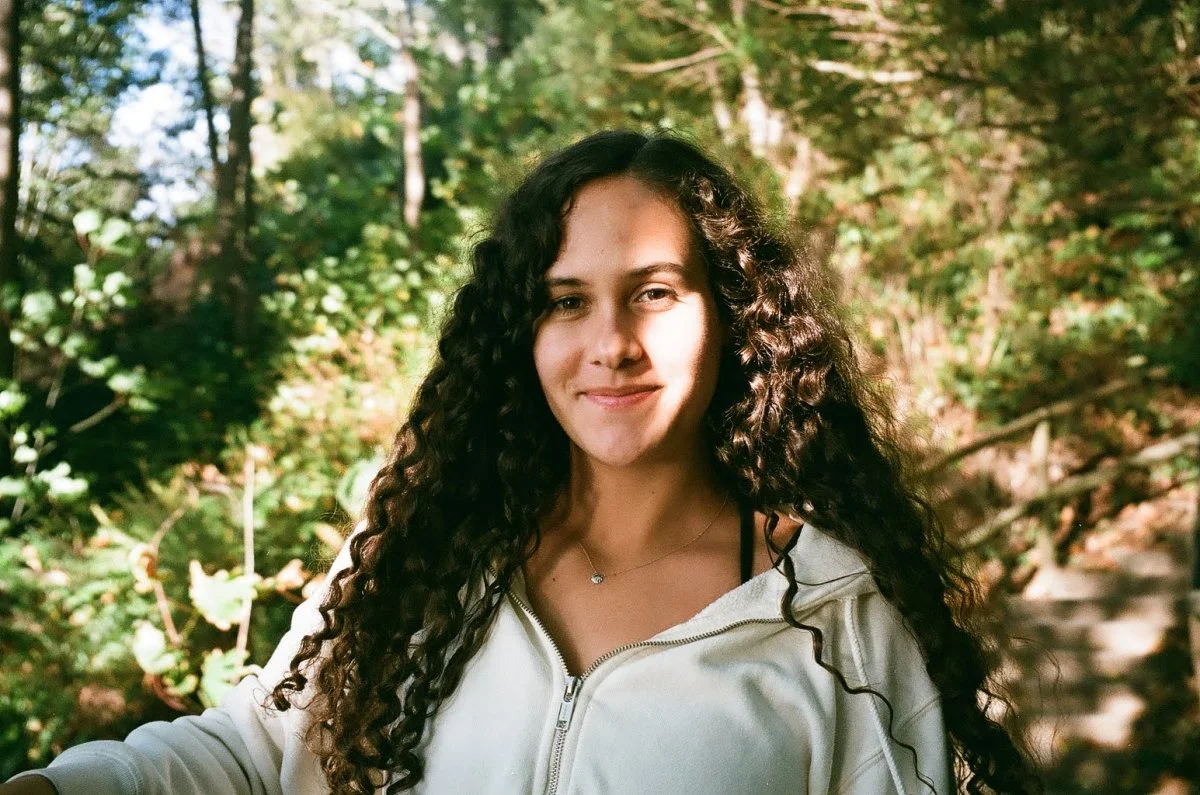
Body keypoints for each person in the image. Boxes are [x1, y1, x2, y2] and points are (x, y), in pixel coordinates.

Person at [3, 130, 1040, 795]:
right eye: (566, 300)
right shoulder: (427, 555)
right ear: (523, 331)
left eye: (655, 292)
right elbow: (254, 754)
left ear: (732, 315)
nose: (611, 344)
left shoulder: (835, 622)